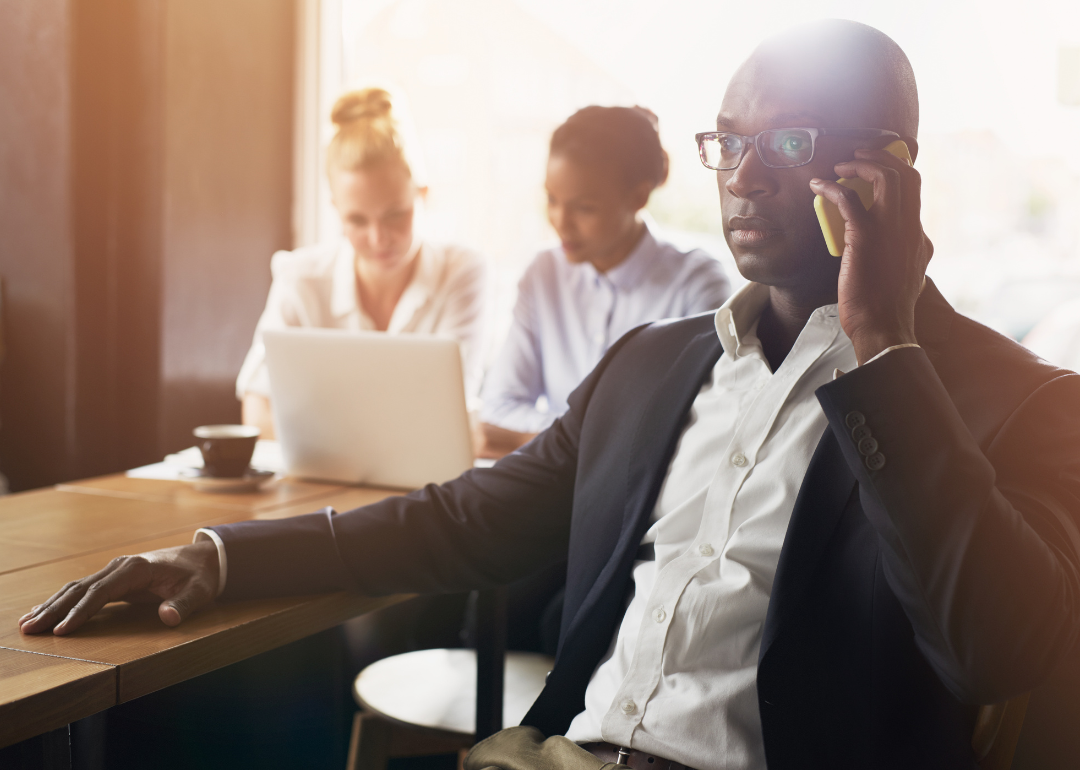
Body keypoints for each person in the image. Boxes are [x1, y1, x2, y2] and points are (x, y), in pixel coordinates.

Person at [20, 21, 1080, 770]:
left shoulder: (1020, 403)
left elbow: (995, 646)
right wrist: (216, 557)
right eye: (731, 140)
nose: (746, 174)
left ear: (888, 169)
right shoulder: (651, 367)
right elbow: (460, 522)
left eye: (790, 142)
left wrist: (885, 345)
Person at [478, 106, 730, 457]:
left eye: (584, 208)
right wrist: (600, 448)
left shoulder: (697, 285)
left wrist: (537, 441)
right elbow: (497, 410)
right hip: (543, 493)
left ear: (638, 197)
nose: (559, 222)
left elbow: (690, 431)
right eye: (552, 200)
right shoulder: (544, 273)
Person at [237, 87, 489, 439]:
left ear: (423, 195)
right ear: (335, 210)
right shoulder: (300, 277)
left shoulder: (460, 272)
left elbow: (449, 412)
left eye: (395, 215)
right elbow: (258, 409)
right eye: (357, 221)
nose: (378, 238)